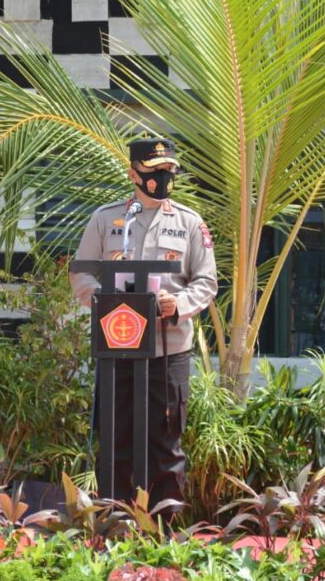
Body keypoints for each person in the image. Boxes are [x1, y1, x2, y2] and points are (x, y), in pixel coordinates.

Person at [70, 137, 218, 508]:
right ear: (133, 173)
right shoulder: (106, 220)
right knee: (115, 441)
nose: (164, 177)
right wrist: (106, 303)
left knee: (165, 445)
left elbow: (206, 281)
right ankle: (114, 523)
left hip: (168, 349)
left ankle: (164, 528)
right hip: (118, 346)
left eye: (169, 170)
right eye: (155, 171)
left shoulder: (189, 222)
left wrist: (178, 303)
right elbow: (81, 273)